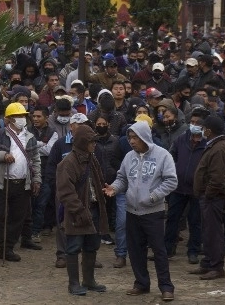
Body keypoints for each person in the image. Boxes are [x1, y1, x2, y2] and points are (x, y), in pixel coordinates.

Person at [104, 120, 178, 302]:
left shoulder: (163, 156)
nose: (131, 141)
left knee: (159, 251)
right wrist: (114, 188)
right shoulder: (129, 157)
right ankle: (141, 284)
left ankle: (166, 287)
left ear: (144, 136)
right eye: (129, 137)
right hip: (132, 211)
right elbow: (122, 178)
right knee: (136, 250)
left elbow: (171, 181)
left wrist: (153, 196)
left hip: (153, 212)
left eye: (135, 137)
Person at [0, 102, 41, 264]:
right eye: (17, 116)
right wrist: (2, 155)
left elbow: (36, 160)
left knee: (17, 217)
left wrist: (37, 179)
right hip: (2, 182)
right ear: (8, 120)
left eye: (22, 116)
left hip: (22, 183)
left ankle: (7, 249)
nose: (21, 119)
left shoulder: (30, 137)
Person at [56, 124, 109, 296]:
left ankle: (89, 280)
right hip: (76, 213)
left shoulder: (91, 158)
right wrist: (79, 210)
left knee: (92, 245)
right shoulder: (68, 163)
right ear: (82, 142)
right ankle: (74, 284)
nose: (94, 144)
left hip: (93, 208)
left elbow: (97, 181)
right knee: (73, 247)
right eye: (91, 141)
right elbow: (65, 192)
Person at [190, 114, 225, 280]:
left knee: (214, 232)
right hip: (208, 197)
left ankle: (216, 266)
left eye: (203, 128)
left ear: (209, 130)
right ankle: (208, 263)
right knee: (208, 231)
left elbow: (217, 177)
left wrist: (208, 194)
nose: (201, 130)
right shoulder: (214, 145)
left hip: (214, 198)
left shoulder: (219, 147)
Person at [165, 107, 207, 263]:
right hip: (178, 187)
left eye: (197, 123)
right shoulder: (181, 139)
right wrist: (175, 170)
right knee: (172, 218)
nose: (194, 125)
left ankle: (193, 251)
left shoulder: (207, 143)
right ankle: (168, 249)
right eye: (192, 122)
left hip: (197, 189)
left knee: (195, 221)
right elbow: (170, 156)